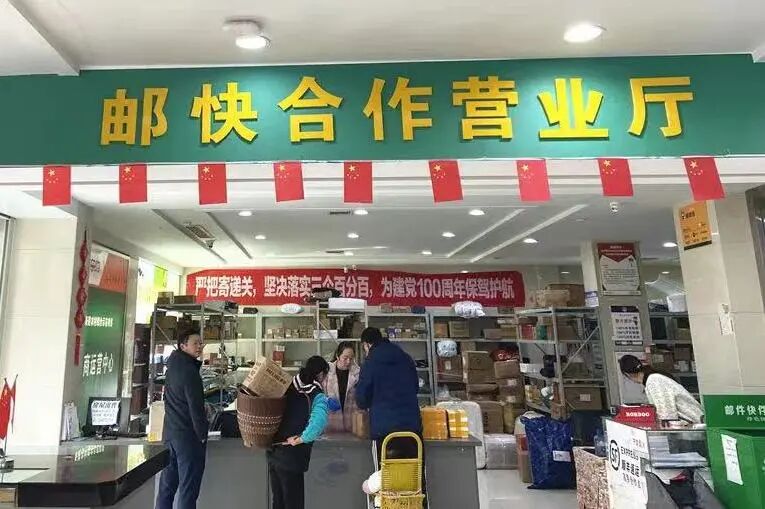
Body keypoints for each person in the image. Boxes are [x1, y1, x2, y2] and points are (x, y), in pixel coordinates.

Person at [267, 356, 330, 509]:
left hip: (274, 453)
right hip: (292, 457)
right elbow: (318, 423)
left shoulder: (287, 386)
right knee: (293, 504)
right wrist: (301, 439)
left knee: (278, 502)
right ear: (321, 374)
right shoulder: (316, 394)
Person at [156, 330, 208, 509]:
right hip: (188, 437)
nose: (200, 346)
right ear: (183, 346)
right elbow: (196, 407)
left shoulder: (173, 366)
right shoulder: (189, 371)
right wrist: (202, 434)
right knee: (188, 490)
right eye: (195, 343)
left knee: (166, 488)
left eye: (201, 343)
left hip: (170, 434)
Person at [356, 327, 422, 459]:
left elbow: (362, 400)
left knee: (385, 471)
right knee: (413, 469)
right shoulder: (406, 358)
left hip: (384, 430)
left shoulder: (370, 363)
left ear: (366, 344)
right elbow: (416, 387)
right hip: (411, 428)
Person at [619, 354, 704, 424]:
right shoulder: (654, 378)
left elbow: (667, 415)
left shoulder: (654, 380)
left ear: (627, 374)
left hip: (693, 425)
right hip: (691, 423)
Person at [323, 341, 361, 432]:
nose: (348, 362)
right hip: (331, 421)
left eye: (351, 358)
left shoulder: (358, 373)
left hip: (352, 422)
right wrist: (326, 400)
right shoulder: (327, 371)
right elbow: (319, 393)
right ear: (337, 356)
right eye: (345, 358)